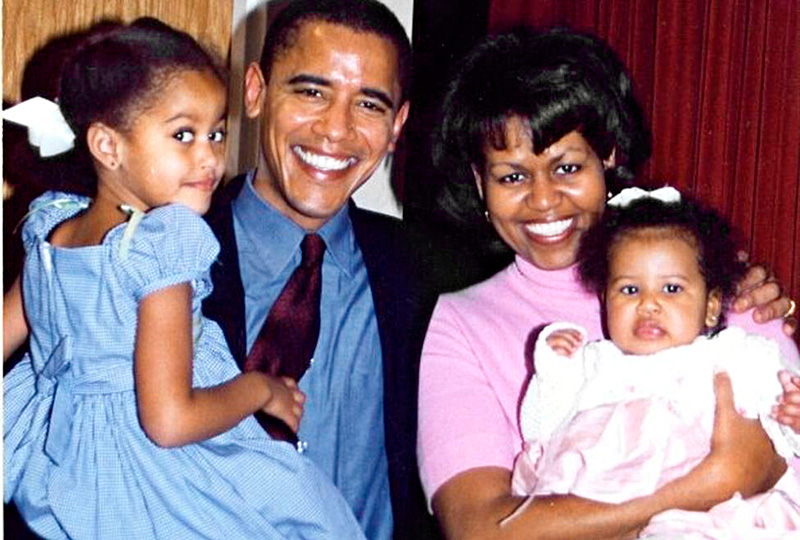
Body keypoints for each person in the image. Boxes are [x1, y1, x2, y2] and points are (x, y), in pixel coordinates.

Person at [417, 28, 800, 540]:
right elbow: (480, 529)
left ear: (610, 157)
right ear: (479, 183)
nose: (544, 199)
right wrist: (712, 482)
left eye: (568, 167)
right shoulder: (460, 325)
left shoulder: (710, 276)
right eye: (512, 177)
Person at [3, 18, 366, 539]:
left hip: (65, 473)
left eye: (216, 133)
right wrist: (261, 389)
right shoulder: (162, 247)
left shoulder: (52, 232)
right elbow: (171, 420)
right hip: (156, 483)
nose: (210, 157)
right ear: (108, 146)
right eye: (183, 135)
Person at [201, 1, 437, 539]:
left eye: (370, 105)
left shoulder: (429, 274)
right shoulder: (156, 257)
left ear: (397, 124)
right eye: (311, 92)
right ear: (257, 90)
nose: (336, 130)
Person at [511, 187, 800, 537]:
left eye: (672, 289)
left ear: (711, 306)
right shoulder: (596, 364)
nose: (649, 304)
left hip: (708, 513)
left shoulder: (731, 356)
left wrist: (793, 419)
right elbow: (541, 428)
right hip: (601, 505)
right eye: (630, 290)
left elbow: (777, 436)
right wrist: (553, 370)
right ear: (604, 301)